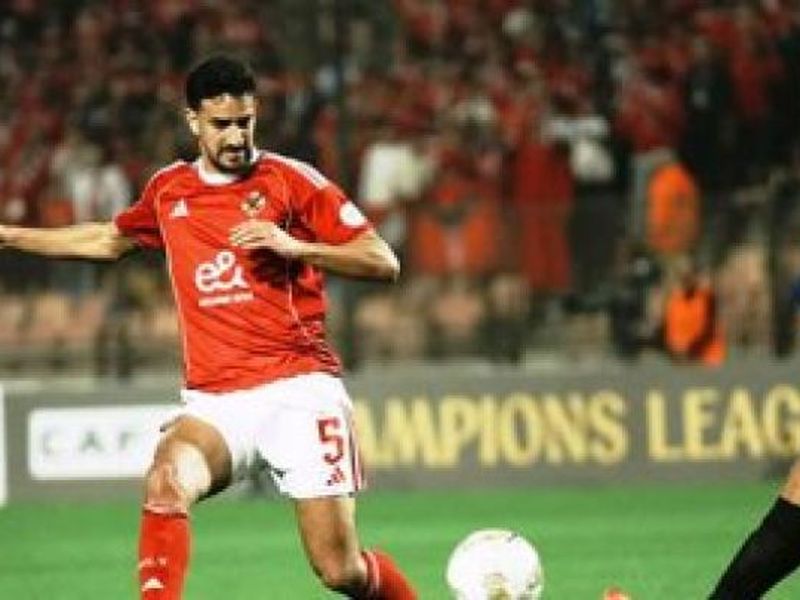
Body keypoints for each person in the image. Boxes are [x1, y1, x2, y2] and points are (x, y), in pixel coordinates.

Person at [0, 55, 416, 600]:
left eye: (245, 122)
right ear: (193, 120)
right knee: (166, 481)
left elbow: (382, 260)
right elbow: (106, 239)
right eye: (222, 124)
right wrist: (8, 236)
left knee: (341, 572)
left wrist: (295, 246)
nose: (237, 136)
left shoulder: (291, 181)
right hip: (218, 402)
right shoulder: (169, 191)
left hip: (298, 388)